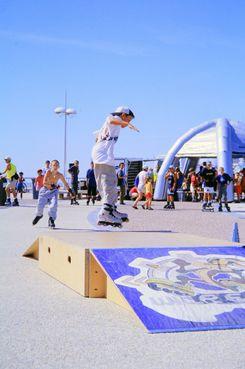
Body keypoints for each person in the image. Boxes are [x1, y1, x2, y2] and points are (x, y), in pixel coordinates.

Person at [91, 106, 138, 226]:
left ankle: (111, 209)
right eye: (129, 120)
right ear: (123, 115)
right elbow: (111, 120)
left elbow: (97, 136)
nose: (128, 123)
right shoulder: (113, 118)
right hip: (102, 157)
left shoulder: (115, 125)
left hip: (106, 157)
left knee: (113, 183)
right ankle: (104, 214)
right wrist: (125, 123)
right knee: (108, 185)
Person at [32, 160, 73, 228]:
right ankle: (39, 215)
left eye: (57, 165)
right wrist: (52, 185)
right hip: (44, 190)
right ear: (51, 166)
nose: (55, 166)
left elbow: (65, 183)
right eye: (54, 165)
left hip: (53, 192)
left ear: (59, 166)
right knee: (40, 206)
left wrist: (70, 191)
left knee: (53, 206)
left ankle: (51, 219)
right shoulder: (48, 172)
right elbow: (44, 182)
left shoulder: (60, 175)